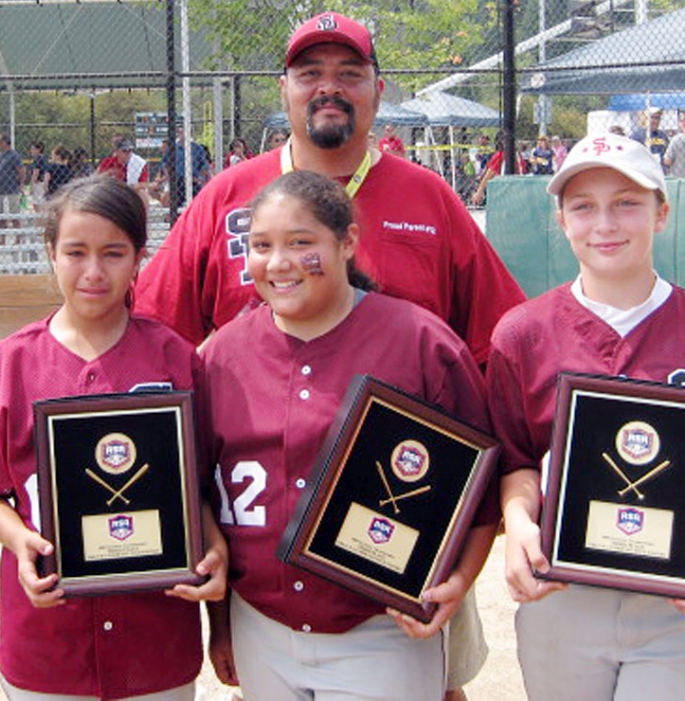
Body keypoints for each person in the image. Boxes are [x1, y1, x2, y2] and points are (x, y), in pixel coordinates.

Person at [136, 11, 526, 701]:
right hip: (269, 537)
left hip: (403, 518)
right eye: (310, 73)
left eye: (349, 74)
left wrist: (492, 485)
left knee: (437, 682)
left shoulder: (427, 197)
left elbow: (501, 342)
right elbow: (151, 337)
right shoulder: (228, 197)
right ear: (283, 89)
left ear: (379, 90)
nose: (329, 88)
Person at [489, 133, 685, 701]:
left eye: (627, 202)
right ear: (562, 220)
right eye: (583, 206)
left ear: (662, 213)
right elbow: (518, 462)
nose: (605, 223)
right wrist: (520, 524)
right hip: (563, 595)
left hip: (676, 605)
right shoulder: (522, 335)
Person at [198, 170, 499, 701]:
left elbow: (479, 489)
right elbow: (202, 495)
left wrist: (461, 582)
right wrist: (221, 622)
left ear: (347, 243)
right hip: (261, 623)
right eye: (261, 245)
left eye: (301, 243)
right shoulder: (222, 354)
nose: (279, 262)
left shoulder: (420, 342)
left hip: (381, 624)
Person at [0, 175, 228, 701]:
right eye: (75, 252)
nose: (94, 272)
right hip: (48, 645)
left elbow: (202, 484)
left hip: (155, 643)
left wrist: (211, 543)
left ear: (139, 257)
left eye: (114, 253)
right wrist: (17, 539)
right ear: (51, 252)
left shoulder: (175, 359)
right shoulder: (7, 366)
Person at [159, 126, 213, 213]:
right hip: (178, 181)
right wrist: (169, 177)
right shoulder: (173, 148)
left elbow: (204, 166)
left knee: (199, 202)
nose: (180, 134)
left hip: (193, 180)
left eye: (182, 131)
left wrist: (199, 178)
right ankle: (173, 218)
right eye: (179, 132)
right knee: (173, 202)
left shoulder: (197, 148)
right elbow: (165, 164)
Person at [469, 131, 508, 206]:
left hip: (503, 190)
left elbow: (490, 173)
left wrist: (479, 192)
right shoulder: (515, 154)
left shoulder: (500, 155)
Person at [0, 132, 25, 216]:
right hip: (0, 188)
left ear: (5, 142)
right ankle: (2, 228)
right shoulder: (0, 155)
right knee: (0, 216)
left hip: (11, 189)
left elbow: (21, 171)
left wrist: (20, 184)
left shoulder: (14, 155)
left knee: (14, 216)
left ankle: (16, 229)